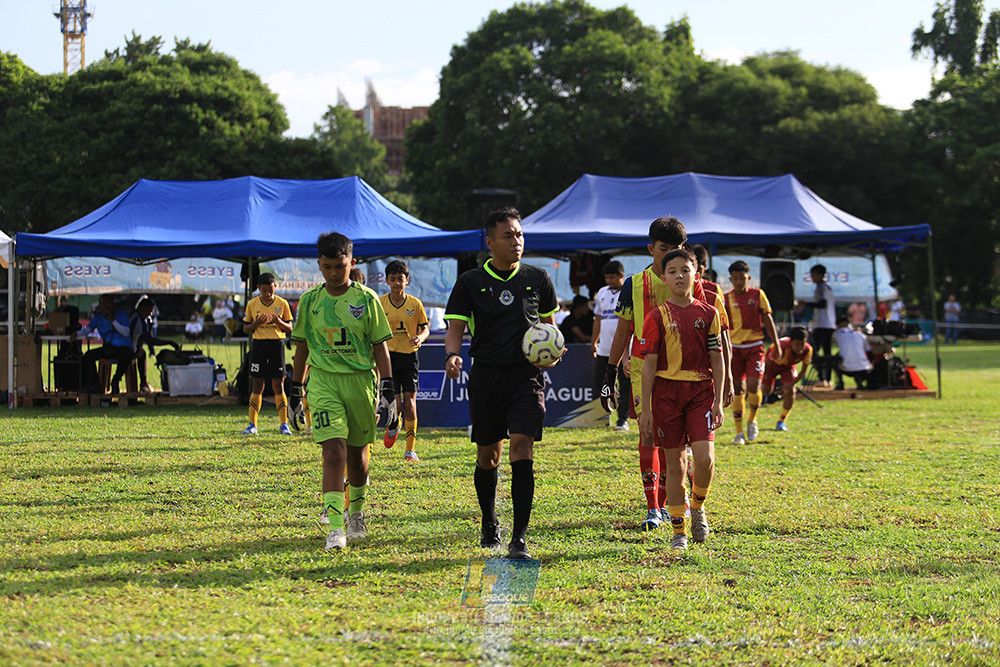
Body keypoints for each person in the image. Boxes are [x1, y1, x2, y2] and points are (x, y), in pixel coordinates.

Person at [443, 207, 560, 560]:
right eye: (508, 236)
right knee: (488, 457)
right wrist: (452, 355)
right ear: (490, 242)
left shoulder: (538, 278)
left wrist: (553, 352)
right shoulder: (470, 281)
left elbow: (550, 329)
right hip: (487, 376)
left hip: (526, 377)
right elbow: (455, 329)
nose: (516, 241)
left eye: (519, 234)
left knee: (522, 447)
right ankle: (489, 521)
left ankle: (519, 538)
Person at [290, 232, 395, 551]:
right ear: (319, 265)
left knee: (357, 457)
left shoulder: (367, 299)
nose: (334, 273)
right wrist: (295, 389)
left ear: (352, 262)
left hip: (360, 382)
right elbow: (302, 348)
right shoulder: (310, 301)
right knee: (333, 452)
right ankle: (336, 529)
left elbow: (380, 347)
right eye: (327, 267)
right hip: (323, 382)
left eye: (340, 266)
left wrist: (388, 388)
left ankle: (357, 513)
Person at [601, 216, 691, 531]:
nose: (671, 255)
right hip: (644, 369)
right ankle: (653, 507)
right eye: (664, 249)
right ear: (651, 248)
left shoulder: (691, 281)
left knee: (675, 440)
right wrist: (610, 370)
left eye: (678, 248)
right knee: (649, 434)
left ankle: (670, 501)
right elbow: (623, 330)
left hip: (682, 370)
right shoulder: (634, 284)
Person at [638, 248, 724, 551]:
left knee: (705, 459)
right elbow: (648, 365)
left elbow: (717, 357)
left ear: (696, 275)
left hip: (700, 392)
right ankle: (679, 533)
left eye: (685, 270)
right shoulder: (656, 316)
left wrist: (718, 400)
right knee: (674, 466)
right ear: (664, 278)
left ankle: (697, 507)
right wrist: (646, 408)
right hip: (667, 396)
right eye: (672, 271)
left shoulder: (709, 313)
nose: (679, 276)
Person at [724, 260, 781, 445]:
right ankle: (739, 432)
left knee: (754, 386)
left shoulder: (757, 294)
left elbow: (768, 318)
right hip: (734, 349)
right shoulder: (725, 299)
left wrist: (776, 343)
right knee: (738, 389)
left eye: (742, 278)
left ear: (748, 278)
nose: (739, 282)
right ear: (731, 279)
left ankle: (752, 420)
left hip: (755, 347)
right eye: (735, 279)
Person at [379, 260, 430, 461]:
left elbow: (425, 328)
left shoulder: (415, 304)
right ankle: (395, 423)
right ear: (386, 281)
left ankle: (410, 450)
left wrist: (420, 338)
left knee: (409, 403)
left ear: (407, 280)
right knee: (395, 405)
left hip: (409, 358)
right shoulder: (380, 303)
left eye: (400, 279)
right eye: (392, 279)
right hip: (388, 358)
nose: (397, 283)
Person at [241, 273, 294, 436]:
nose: (268, 294)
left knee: (278, 384)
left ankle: (284, 424)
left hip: (277, 344)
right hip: (259, 345)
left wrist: (278, 322)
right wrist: (257, 323)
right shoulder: (252, 304)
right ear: (258, 288)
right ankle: (252, 425)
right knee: (257, 383)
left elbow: (290, 327)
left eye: (271, 291)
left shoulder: (282, 303)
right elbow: (245, 328)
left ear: (275, 287)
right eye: (264, 291)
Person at [591, 260, 630, 431]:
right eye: (606, 277)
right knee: (600, 381)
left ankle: (622, 420)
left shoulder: (629, 291)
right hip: (605, 348)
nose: (608, 281)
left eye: (612, 277)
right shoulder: (602, 292)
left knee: (625, 384)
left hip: (624, 349)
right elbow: (598, 318)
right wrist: (594, 341)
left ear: (621, 275)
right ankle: (614, 402)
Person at [71, 294, 133, 394]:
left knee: (126, 355)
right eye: (103, 303)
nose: (106, 306)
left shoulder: (122, 315)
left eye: (108, 303)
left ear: (113, 303)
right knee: (88, 356)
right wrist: (76, 333)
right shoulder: (98, 318)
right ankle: (95, 386)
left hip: (123, 347)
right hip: (109, 348)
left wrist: (112, 320)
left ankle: (116, 380)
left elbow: (126, 332)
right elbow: (88, 329)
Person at [761, 326, 812, 432]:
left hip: (788, 367)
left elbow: (803, 371)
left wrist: (790, 385)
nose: (800, 348)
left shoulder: (808, 350)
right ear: (790, 342)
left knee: (791, 391)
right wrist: (763, 377)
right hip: (772, 367)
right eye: (797, 344)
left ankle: (781, 421)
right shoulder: (780, 347)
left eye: (802, 344)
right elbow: (767, 362)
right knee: (766, 391)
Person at [797, 264, 835, 386]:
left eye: (813, 275)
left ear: (820, 275)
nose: (812, 277)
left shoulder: (821, 288)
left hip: (823, 324)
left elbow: (822, 304)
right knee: (827, 352)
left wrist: (806, 304)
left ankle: (821, 378)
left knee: (815, 352)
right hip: (829, 324)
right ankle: (827, 379)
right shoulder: (828, 288)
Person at [833, 317, 873, 390]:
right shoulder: (860, 334)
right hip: (864, 369)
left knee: (835, 358)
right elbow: (869, 351)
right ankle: (860, 379)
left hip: (845, 369)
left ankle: (840, 383)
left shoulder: (837, 334)